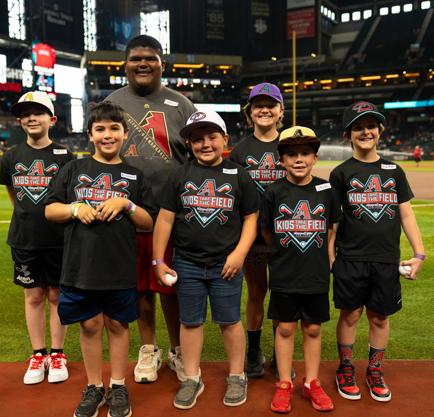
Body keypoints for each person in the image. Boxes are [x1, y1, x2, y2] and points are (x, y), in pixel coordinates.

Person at [44, 102, 156, 417]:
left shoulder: (135, 175)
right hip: (81, 266)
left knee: (118, 324)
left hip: (119, 266)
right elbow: (50, 209)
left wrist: (127, 204)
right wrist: (74, 208)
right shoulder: (74, 169)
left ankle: (118, 386)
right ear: (91, 134)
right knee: (90, 325)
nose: (107, 135)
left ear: (125, 134)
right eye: (101, 129)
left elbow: (148, 222)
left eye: (114, 128)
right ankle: (94, 386)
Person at [152, 110, 259, 409]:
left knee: (229, 321)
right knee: (190, 322)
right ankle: (191, 377)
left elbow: (251, 217)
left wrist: (239, 254)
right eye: (197, 139)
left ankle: (237, 375)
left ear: (225, 139)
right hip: (186, 262)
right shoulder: (179, 174)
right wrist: (158, 261)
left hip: (226, 263)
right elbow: (165, 219)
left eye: (212, 136)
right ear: (189, 144)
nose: (205, 144)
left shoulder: (238, 174)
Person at [106, 34, 197, 383]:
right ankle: (149, 350)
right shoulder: (112, 102)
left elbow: (196, 157)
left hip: (172, 215)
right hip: (125, 213)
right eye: (135, 59)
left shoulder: (181, 105)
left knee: (170, 285)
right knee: (141, 288)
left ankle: (177, 350)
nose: (142, 63)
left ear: (162, 64)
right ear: (125, 65)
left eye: (150, 58)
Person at [329, 101, 425, 403]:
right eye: (358, 127)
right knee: (350, 314)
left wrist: (419, 254)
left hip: (386, 259)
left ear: (380, 131)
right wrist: (330, 259)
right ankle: (345, 368)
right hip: (350, 258)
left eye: (371, 126)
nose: (365, 131)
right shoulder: (341, 173)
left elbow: (406, 215)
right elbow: (332, 223)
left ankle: (374, 369)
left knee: (380, 317)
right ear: (348, 134)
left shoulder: (393, 171)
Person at [261, 126, 340, 413]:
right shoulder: (273, 191)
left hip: (315, 272)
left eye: (305, 153)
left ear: (315, 157)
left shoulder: (326, 189)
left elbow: (332, 227)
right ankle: (284, 383)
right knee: (284, 328)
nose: (299, 159)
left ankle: (312, 382)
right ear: (281, 160)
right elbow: (268, 232)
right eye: (291, 154)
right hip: (284, 272)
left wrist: (328, 254)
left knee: (314, 327)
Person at [0, 91, 73, 385]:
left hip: (58, 239)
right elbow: (13, 196)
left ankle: (57, 353)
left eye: (38, 112)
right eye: (26, 113)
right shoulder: (12, 156)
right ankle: (38, 354)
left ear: (51, 119)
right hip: (24, 239)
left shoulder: (66, 156)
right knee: (33, 296)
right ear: (20, 121)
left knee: (56, 295)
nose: (31, 117)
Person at [229, 82, 286, 378]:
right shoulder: (239, 152)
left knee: (281, 292)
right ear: (249, 112)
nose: (264, 109)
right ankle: (253, 350)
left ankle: (280, 349)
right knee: (256, 292)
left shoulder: (289, 144)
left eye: (271, 104)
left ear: (280, 111)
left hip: (285, 233)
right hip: (251, 236)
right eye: (258, 105)